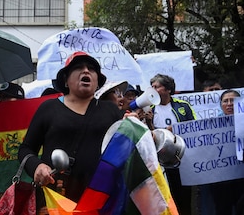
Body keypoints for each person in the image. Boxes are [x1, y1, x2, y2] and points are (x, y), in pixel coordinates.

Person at [18, 51, 123, 212]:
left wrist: (140, 130)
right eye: (78, 67)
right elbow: (25, 149)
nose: (86, 71)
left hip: (99, 200)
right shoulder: (48, 108)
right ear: (66, 80)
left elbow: (127, 150)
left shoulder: (111, 111)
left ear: (97, 81)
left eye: (91, 69)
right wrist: (37, 167)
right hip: (55, 199)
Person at [147, 73, 196, 215]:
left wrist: (177, 128)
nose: (153, 89)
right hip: (161, 162)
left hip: (182, 159)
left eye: (157, 86)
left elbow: (194, 127)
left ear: (168, 89)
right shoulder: (149, 109)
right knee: (166, 197)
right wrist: (150, 123)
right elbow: (147, 137)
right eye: (152, 86)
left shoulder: (183, 106)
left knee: (184, 197)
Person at [207, 89, 244, 215]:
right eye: (225, 101)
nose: (229, 104)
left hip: (241, 175)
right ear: (221, 104)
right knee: (222, 209)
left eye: (233, 100)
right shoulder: (210, 125)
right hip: (221, 178)